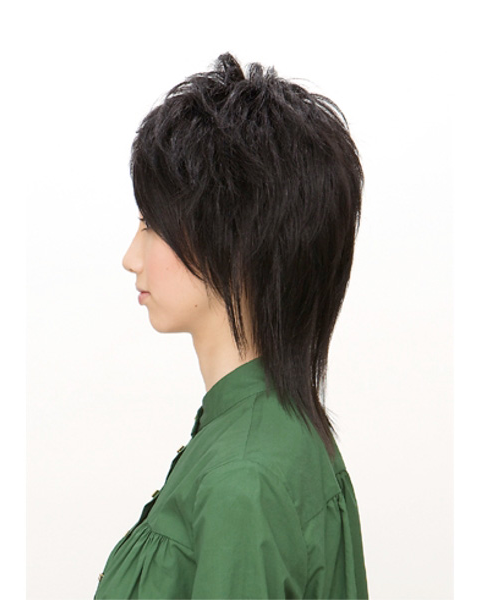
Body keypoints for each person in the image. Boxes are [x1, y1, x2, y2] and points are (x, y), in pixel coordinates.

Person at [94, 52, 367, 599]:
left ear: (234, 242)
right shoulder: (281, 431)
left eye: (151, 225)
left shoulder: (243, 479)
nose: (130, 257)